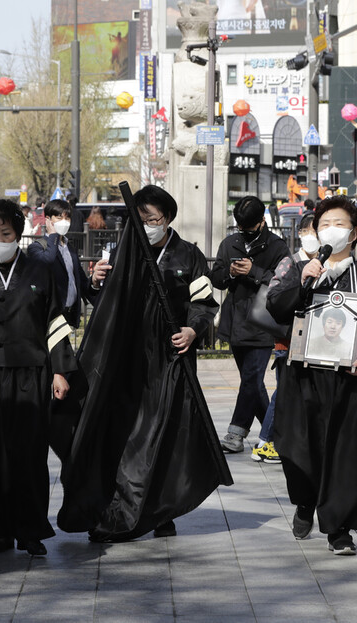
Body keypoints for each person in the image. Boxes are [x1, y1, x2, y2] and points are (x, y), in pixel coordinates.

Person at [57, 185, 230, 542]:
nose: (149, 224)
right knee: (124, 434)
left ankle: (160, 509)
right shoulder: (124, 251)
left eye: (155, 218)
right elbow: (104, 303)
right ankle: (113, 505)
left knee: (163, 436)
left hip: (169, 361)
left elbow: (205, 303)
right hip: (127, 360)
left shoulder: (188, 256)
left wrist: (192, 331)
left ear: (168, 218)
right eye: (143, 218)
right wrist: (95, 281)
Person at [266, 195, 357, 556]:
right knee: (297, 448)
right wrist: (301, 281)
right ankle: (306, 502)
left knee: (347, 454)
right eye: (324, 224)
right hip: (302, 376)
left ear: (353, 233)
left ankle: (339, 529)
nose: (330, 230)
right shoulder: (301, 269)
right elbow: (276, 306)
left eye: (338, 224)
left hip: (351, 381)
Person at [0, 198, 77, 557]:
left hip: (32, 373)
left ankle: (31, 530)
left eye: (5, 232)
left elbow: (55, 321)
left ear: (18, 233)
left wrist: (60, 370)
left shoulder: (40, 270)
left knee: (28, 454)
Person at [210, 196, 289, 453]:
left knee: (251, 379)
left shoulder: (277, 246)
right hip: (235, 320)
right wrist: (231, 273)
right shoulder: (230, 243)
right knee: (251, 382)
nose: (243, 233)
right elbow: (217, 278)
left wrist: (253, 271)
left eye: (248, 228)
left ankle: (236, 434)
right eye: (240, 228)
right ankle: (277, 434)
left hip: (264, 322)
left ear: (262, 221)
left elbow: (283, 281)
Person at [251, 212, 319, 464]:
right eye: (308, 231)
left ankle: (283, 441)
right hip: (288, 341)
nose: (312, 237)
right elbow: (276, 297)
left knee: (296, 394)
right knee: (284, 392)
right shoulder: (290, 263)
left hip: (312, 342)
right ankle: (265, 442)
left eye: (317, 232)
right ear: (300, 234)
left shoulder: (325, 264)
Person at [27, 199, 103, 329]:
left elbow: (81, 282)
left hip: (69, 316)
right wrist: (52, 236)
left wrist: (94, 282)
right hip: (49, 318)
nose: (64, 222)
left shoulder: (70, 248)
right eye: (59, 217)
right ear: (48, 219)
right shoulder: (36, 248)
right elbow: (48, 261)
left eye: (67, 218)